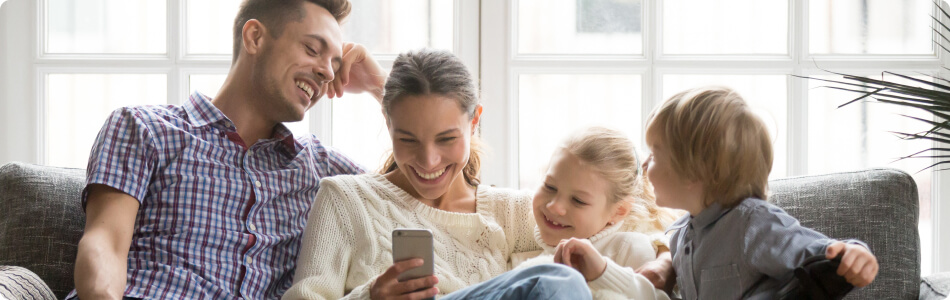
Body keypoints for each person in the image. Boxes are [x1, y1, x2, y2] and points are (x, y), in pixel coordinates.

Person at [70, 0, 388, 298]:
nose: (328, 73)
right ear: (254, 37)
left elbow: (425, 184)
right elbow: (105, 245)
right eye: (312, 49)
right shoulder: (145, 128)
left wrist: (379, 86)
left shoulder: (320, 169)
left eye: (335, 65)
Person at [283, 48, 594, 300]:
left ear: (474, 123)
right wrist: (371, 297)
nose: (429, 161)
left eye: (446, 139)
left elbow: (611, 232)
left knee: (562, 282)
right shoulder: (346, 199)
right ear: (387, 124)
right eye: (408, 140)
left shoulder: (516, 213)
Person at [642, 86, 880, 299]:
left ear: (692, 171)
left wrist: (855, 252)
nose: (644, 165)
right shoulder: (679, 233)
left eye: (654, 155)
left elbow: (819, 254)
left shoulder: (752, 223)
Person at [510, 126, 679, 299]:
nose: (555, 206)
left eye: (578, 201)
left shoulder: (629, 248)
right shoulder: (524, 251)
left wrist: (604, 273)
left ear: (618, 211)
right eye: (550, 186)